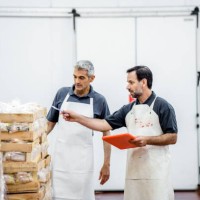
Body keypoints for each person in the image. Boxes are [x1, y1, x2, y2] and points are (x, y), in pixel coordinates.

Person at [62, 65, 178, 200]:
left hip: (157, 173)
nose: (127, 86)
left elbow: (172, 137)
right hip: (134, 172)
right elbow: (103, 124)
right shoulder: (128, 109)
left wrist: (147, 140)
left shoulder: (163, 106)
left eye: (131, 82)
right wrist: (77, 118)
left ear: (144, 82)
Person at [46, 60, 111, 200]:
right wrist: (33, 142)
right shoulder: (62, 94)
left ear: (92, 78)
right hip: (61, 160)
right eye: (74, 77)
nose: (77, 81)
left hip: (83, 161)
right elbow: (49, 124)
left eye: (81, 77)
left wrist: (106, 163)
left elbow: (106, 133)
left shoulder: (99, 100)